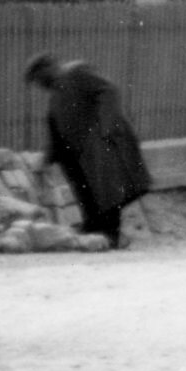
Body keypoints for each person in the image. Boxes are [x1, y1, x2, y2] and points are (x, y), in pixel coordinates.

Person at [22, 53, 152, 247]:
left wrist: (105, 129)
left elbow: (108, 90)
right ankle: (95, 232)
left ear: (48, 68)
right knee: (91, 196)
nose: (39, 85)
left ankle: (109, 236)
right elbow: (56, 132)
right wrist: (47, 159)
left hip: (101, 147)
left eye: (38, 78)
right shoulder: (56, 94)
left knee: (108, 195)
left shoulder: (76, 73)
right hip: (82, 156)